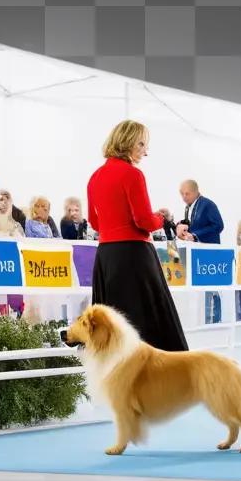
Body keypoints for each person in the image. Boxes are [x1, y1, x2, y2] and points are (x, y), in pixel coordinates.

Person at [87, 120, 187, 351]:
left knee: (113, 325)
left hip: (106, 257)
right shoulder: (133, 174)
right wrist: (160, 218)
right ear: (128, 141)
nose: (145, 150)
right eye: (141, 143)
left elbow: (94, 221)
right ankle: (168, 376)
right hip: (134, 254)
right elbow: (144, 221)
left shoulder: (95, 177)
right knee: (152, 318)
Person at [176, 179, 224, 244]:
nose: (184, 197)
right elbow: (196, 226)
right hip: (194, 249)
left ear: (196, 192)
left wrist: (196, 235)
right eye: (182, 194)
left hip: (209, 249)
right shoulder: (188, 207)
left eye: (187, 194)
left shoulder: (208, 204)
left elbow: (218, 226)